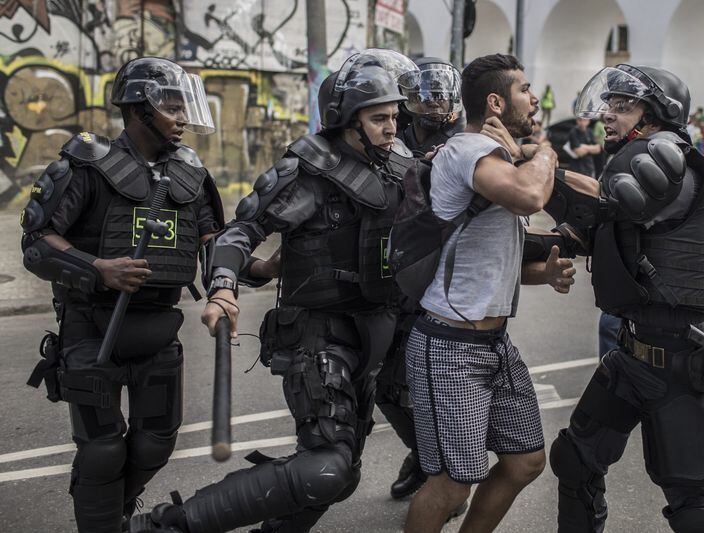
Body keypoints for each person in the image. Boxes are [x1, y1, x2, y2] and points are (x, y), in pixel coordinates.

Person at [128, 49, 419, 533]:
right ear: (348, 118)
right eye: (379, 118)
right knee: (327, 467)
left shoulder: (400, 166)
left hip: (376, 333)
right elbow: (240, 233)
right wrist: (224, 287)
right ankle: (168, 525)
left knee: (339, 475)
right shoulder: (310, 169)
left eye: (394, 116)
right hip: (319, 336)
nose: (392, 128)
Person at [544, 64, 704, 532]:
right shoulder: (628, 162)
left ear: (656, 116)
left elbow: (607, 200)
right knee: (575, 459)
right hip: (631, 355)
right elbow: (581, 230)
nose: (608, 114)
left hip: (676, 360)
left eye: (622, 106)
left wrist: (534, 165)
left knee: (694, 506)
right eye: (608, 103)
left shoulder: (666, 159)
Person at [20, 57, 222, 532]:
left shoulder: (191, 173)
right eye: (171, 106)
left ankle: (115, 510)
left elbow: (215, 241)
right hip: (92, 327)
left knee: (156, 442)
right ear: (138, 108)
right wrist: (98, 268)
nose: (182, 117)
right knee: (102, 448)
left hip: (157, 327)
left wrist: (237, 279)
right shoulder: (87, 165)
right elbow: (36, 241)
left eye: (183, 106)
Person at [403, 53, 573, 533]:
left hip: (494, 345)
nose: (535, 97)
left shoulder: (501, 159)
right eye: (525, 90)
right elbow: (531, 197)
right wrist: (542, 152)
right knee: (452, 485)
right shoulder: (466, 151)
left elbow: (490, 262)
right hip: (448, 346)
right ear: (496, 101)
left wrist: (547, 274)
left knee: (525, 461)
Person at [379, 57, 464, 501]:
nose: (432, 103)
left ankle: (441, 472)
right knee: (385, 385)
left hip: (442, 278)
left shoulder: (465, 142)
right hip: (391, 271)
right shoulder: (392, 133)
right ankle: (424, 456)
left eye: (440, 94)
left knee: (437, 389)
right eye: (423, 94)